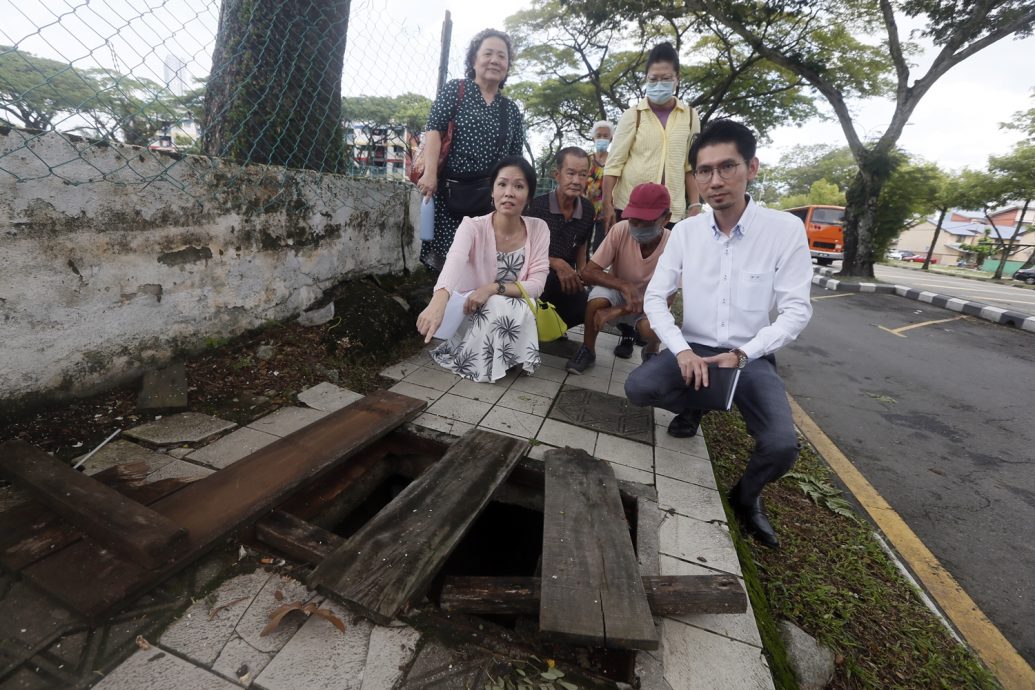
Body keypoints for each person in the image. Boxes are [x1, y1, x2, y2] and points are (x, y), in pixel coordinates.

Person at [624, 119, 813, 549]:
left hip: (749, 354)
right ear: (695, 178)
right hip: (694, 346)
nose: (715, 180)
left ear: (753, 168)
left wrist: (744, 355)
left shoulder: (784, 230)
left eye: (727, 167)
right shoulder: (687, 233)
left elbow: (796, 310)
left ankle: (747, 498)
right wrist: (682, 351)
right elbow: (656, 298)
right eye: (704, 171)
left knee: (782, 445)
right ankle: (695, 405)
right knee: (638, 387)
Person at [416, 156, 549, 382]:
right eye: (502, 184)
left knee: (513, 302)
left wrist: (491, 288)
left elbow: (536, 285)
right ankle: (479, 361)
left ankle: (507, 356)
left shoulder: (539, 228)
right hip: (473, 310)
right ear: (492, 191)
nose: (509, 192)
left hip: (512, 310)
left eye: (519, 186)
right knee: (498, 304)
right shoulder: (472, 226)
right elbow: (455, 260)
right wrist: (439, 299)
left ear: (528, 196)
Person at [416, 29, 525, 270]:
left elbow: (516, 161)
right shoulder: (456, 90)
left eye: (502, 56)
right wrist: (430, 173)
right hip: (450, 196)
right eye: (488, 53)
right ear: (474, 59)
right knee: (449, 266)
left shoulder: (511, 110)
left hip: (489, 202)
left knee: (481, 268)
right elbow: (434, 130)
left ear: (508, 65)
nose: (495, 60)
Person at [565, 183, 672, 374]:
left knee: (652, 327)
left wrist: (619, 310)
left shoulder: (674, 243)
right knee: (596, 300)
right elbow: (588, 272)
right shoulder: (621, 230)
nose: (637, 228)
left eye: (646, 222)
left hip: (652, 303)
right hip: (620, 292)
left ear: (666, 219)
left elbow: (668, 299)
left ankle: (651, 350)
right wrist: (624, 285)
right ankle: (587, 350)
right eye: (633, 220)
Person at [601, 41, 702, 233]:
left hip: (672, 211)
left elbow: (690, 166)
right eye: (653, 79)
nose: (659, 84)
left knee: (669, 261)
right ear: (646, 78)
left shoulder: (690, 116)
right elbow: (613, 164)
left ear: (677, 79)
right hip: (631, 208)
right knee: (628, 260)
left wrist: (695, 204)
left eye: (666, 78)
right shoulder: (633, 114)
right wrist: (607, 204)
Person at [526, 146, 594, 329]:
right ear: (557, 174)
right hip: (535, 272)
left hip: (566, 278)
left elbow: (582, 243)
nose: (576, 180)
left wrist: (582, 273)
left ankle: (553, 328)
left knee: (586, 306)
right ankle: (528, 327)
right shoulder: (536, 208)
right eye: (570, 173)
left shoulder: (588, 209)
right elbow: (523, 250)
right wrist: (556, 263)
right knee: (542, 286)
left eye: (582, 175)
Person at [585, 120, 613, 252]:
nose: (602, 138)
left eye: (605, 136)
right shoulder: (587, 160)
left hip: (606, 209)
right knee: (582, 243)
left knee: (600, 247)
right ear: (593, 138)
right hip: (586, 208)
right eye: (599, 135)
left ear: (611, 138)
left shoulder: (615, 160)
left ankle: (594, 271)